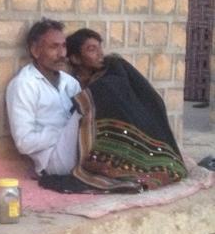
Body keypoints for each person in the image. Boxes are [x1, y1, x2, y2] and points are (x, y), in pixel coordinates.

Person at [51, 28, 187, 192]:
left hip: (138, 132)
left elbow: (121, 94)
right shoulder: (72, 83)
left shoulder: (113, 69)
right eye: (92, 49)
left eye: (100, 47)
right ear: (75, 58)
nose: (100, 54)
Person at [6, 18, 82, 177]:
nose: (62, 54)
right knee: (98, 97)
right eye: (54, 47)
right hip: (53, 162)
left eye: (64, 46)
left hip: (80, 151)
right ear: (35, 50)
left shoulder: (70, 83)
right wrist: (62, 132)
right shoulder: (24, 84)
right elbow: (24, 143)